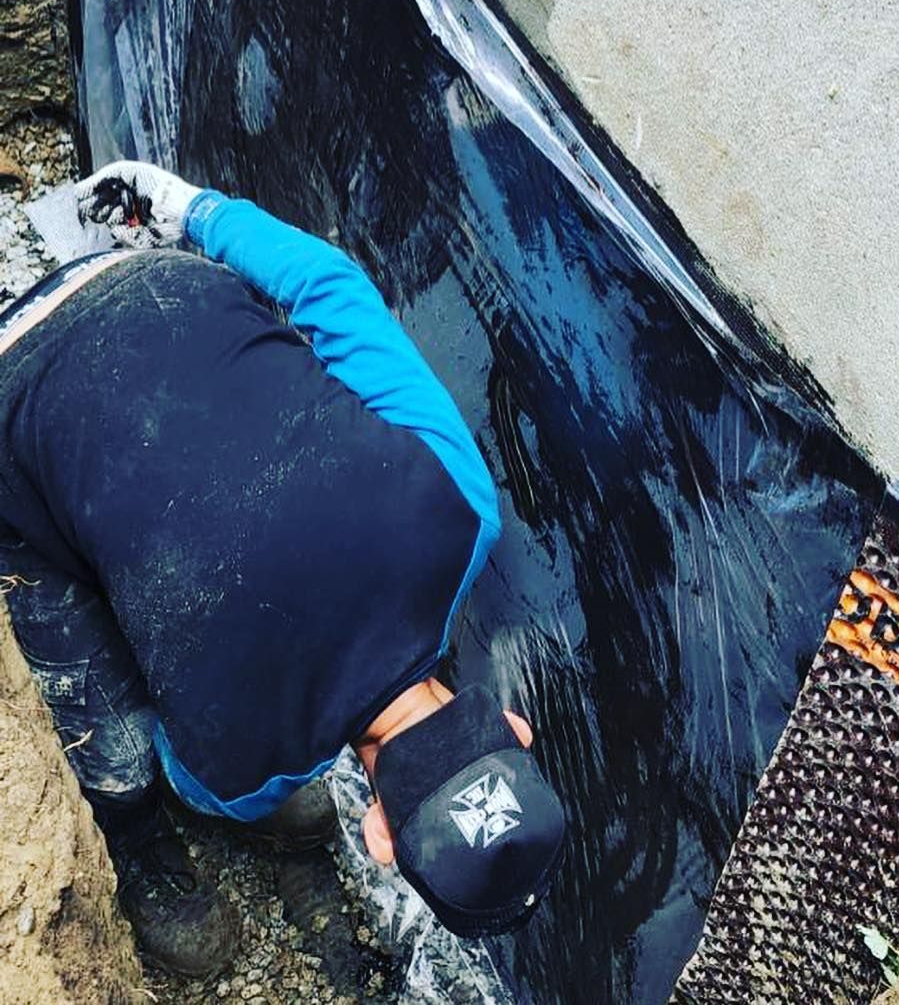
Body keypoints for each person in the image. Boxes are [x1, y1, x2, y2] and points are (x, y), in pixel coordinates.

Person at [0, 159, 565, 977]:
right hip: (12, 393)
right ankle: (132, 838)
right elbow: (195, 764)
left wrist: (191, 209)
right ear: (378, 834)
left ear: (514, 728)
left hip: (139, 276)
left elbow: (330, 287)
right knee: (119, 745)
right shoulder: (234, 776)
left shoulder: (462, 509)